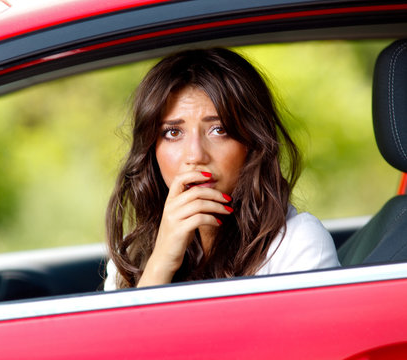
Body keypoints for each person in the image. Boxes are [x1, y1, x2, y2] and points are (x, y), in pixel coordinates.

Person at [104, 48, 339, 290]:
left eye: (219, 130)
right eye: (173, 133)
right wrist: (160, 264)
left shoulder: (297, 243)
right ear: (151, 150)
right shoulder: (130, 256)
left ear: (253, 142)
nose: (195, 155)